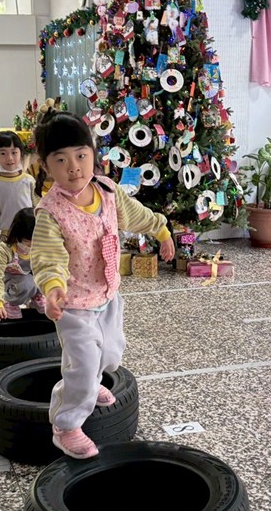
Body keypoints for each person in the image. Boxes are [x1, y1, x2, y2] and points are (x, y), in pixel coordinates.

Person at [31, 111, 175, 459]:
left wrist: (161, 229)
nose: (74, 167)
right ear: (46, 166)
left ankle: (91, 384)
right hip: (73, 305)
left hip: (108, 296)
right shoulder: (51, 212)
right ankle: (66, 424)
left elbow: (136, 214)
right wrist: (52, 287)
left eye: (81, 155)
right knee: (82, 364)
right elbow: (47, 256)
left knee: (110, 355)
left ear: (93, 154)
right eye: (61, 160)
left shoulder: (107, 191)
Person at [0, 207, 45, 320]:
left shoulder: (40, 249)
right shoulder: (6, 249)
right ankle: (9, 303)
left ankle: (37, 298)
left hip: (26, 286)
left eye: (35, 241)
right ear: (16, 235)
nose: (30, 246)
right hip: (8, 287)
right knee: (27, 281)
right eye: (26, 242)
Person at [0, 131, 35, 254]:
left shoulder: (29, 180)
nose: (10, 158)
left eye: (14, 152)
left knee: (29, 264)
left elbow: (38, 208)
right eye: (3, 153)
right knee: (6, 264)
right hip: (6, 236)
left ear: (21, 153)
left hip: (29, 237)